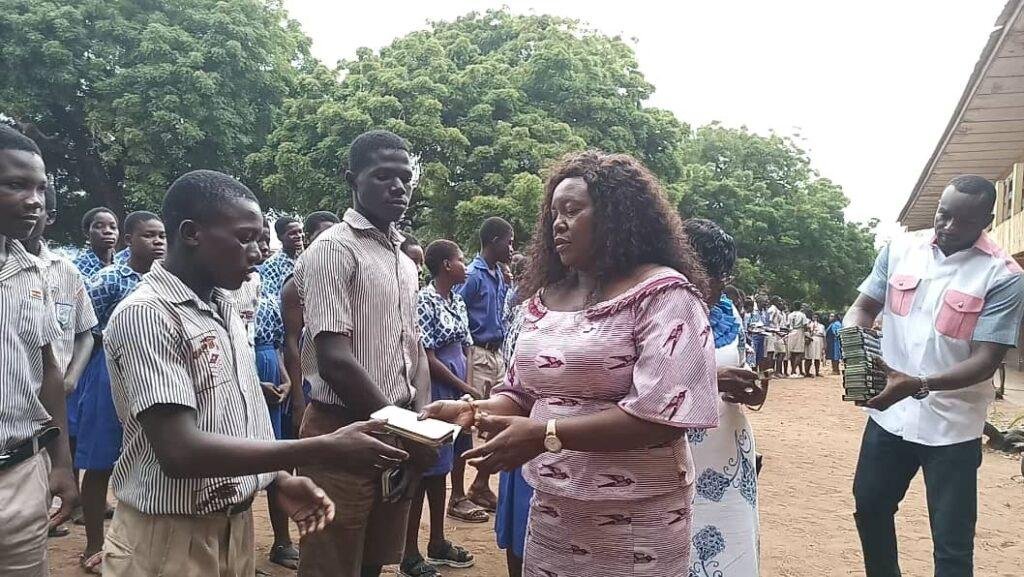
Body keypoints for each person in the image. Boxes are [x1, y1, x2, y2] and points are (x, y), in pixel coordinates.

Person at [423, 151, 720, 576]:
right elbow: (521, 393)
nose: (557, 223)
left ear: (617, 217)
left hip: (638, 519)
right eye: (553, 213)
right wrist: (471, 411)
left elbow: (663, 414)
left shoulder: (665, 297)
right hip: (554, 511)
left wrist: (547, 435)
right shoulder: (540, 302)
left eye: (572, 210)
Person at [100, 169, 406, 576]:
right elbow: (181, 451)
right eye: (244, 238)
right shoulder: (148, 315)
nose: (258, 253)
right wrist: (324, 447)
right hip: (167, 541)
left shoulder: (224, 304)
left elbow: (231, 419)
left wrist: (277, 479)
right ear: (192, 233)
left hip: (233, 528)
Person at [845, 175, 1024, 577]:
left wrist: (920, 384)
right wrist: (856, 346)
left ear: (987, 220)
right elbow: (862, 308)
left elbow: (987, 360)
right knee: (870, 507)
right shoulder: (901, 250)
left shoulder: (1003, 275)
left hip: (952, 427)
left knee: (952, 542)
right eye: (943, 215)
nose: (947, 227)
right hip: (889, 416)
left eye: (962, 221)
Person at [293, 130, 434, 577]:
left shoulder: (406, 262)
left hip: (396, 435)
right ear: (351, 178)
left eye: (405, 177)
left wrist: (421, 425)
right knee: (330, 565)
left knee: (375, 561)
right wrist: (408, 429)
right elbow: (334, 360)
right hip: (341, 433)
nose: (398, 187)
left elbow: (415, 348)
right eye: (383, 176)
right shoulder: (334, 250)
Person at [0, 124, 79, 576]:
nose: (35, 200)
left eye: (40, 188)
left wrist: (61, 465)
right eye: (16, 185)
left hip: (20, 476)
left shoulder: (35, 275)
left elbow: (49, 371)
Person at [75, 210, 166, 572]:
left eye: (162, 236)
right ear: (129, 240)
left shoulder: (166, 280)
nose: (158, 242)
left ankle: (139, 542)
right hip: (106, 373)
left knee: (148, 456)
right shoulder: (109, 278)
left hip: (151, 375)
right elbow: (86, 328)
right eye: (149, 236)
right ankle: (94, 544)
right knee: (100, 461)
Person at [683, 218, 765, 577]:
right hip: (675, 455)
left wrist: (751, 391)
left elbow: (742, 369)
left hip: (728, 453)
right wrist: (711, 379)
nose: (718, 285)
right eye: (710, 275)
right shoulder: (650, 310)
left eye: (723, 275)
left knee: (732, 553)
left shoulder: (729, 314)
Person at [23, 183, 99, 538]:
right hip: (18, 399)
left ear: (49, 217)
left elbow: (86, 331)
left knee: (59, 452)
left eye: (39, 206)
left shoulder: (65, 271)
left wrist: (71, 377)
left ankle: (47, 514)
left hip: (58, 394)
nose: (28, 208)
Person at [400, 239, 478, 577]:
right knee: (425, 469)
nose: (466, 264)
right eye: (461, 259)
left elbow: (466, 347)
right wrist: (463, 388)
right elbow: (428, 358)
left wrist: (470, 388)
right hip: (437, 392)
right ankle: (409, 553)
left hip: (460, 391)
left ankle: (438, 541)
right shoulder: (426, 301)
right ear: (446, 265)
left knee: (443, 470)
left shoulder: (457, 300)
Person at [459, 216, 514, 512]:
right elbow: (455, 308)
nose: (512, 247)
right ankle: (461, 490)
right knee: (473, 418)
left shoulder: (498, 274)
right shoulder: (473, 275)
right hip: (478, 352)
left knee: (496, 421)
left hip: (497, 353)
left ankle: (480, 482)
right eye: (509, 240)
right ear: (495, 241)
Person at [494, 254, 532, 577]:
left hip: (582, 461)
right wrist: (473, 410)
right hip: (527, 441)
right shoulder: (528, 314)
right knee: (520, 538)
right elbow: (515, 385)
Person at [261, 215, 304, 299]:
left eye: (300, 231)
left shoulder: (305, 259)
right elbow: (270, 296)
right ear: (280, 237)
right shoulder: (272, 264)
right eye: (292, 233)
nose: (299, 236)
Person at [72, 207, 119, 277]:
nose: (108, 231)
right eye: (99, 226)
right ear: (87, 232)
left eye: (113, 227)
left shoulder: (125, 264)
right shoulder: (75, 268)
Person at [786, 301, 808, 377]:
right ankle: (793, 370)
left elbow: (788, 324)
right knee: (799, 353)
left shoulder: (790, 315)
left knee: (792, 353)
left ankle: (793, 371)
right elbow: (805, 325)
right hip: (799, 332)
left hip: (791, 332)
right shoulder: (802, 315)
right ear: (800, 307)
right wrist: (806, 333)